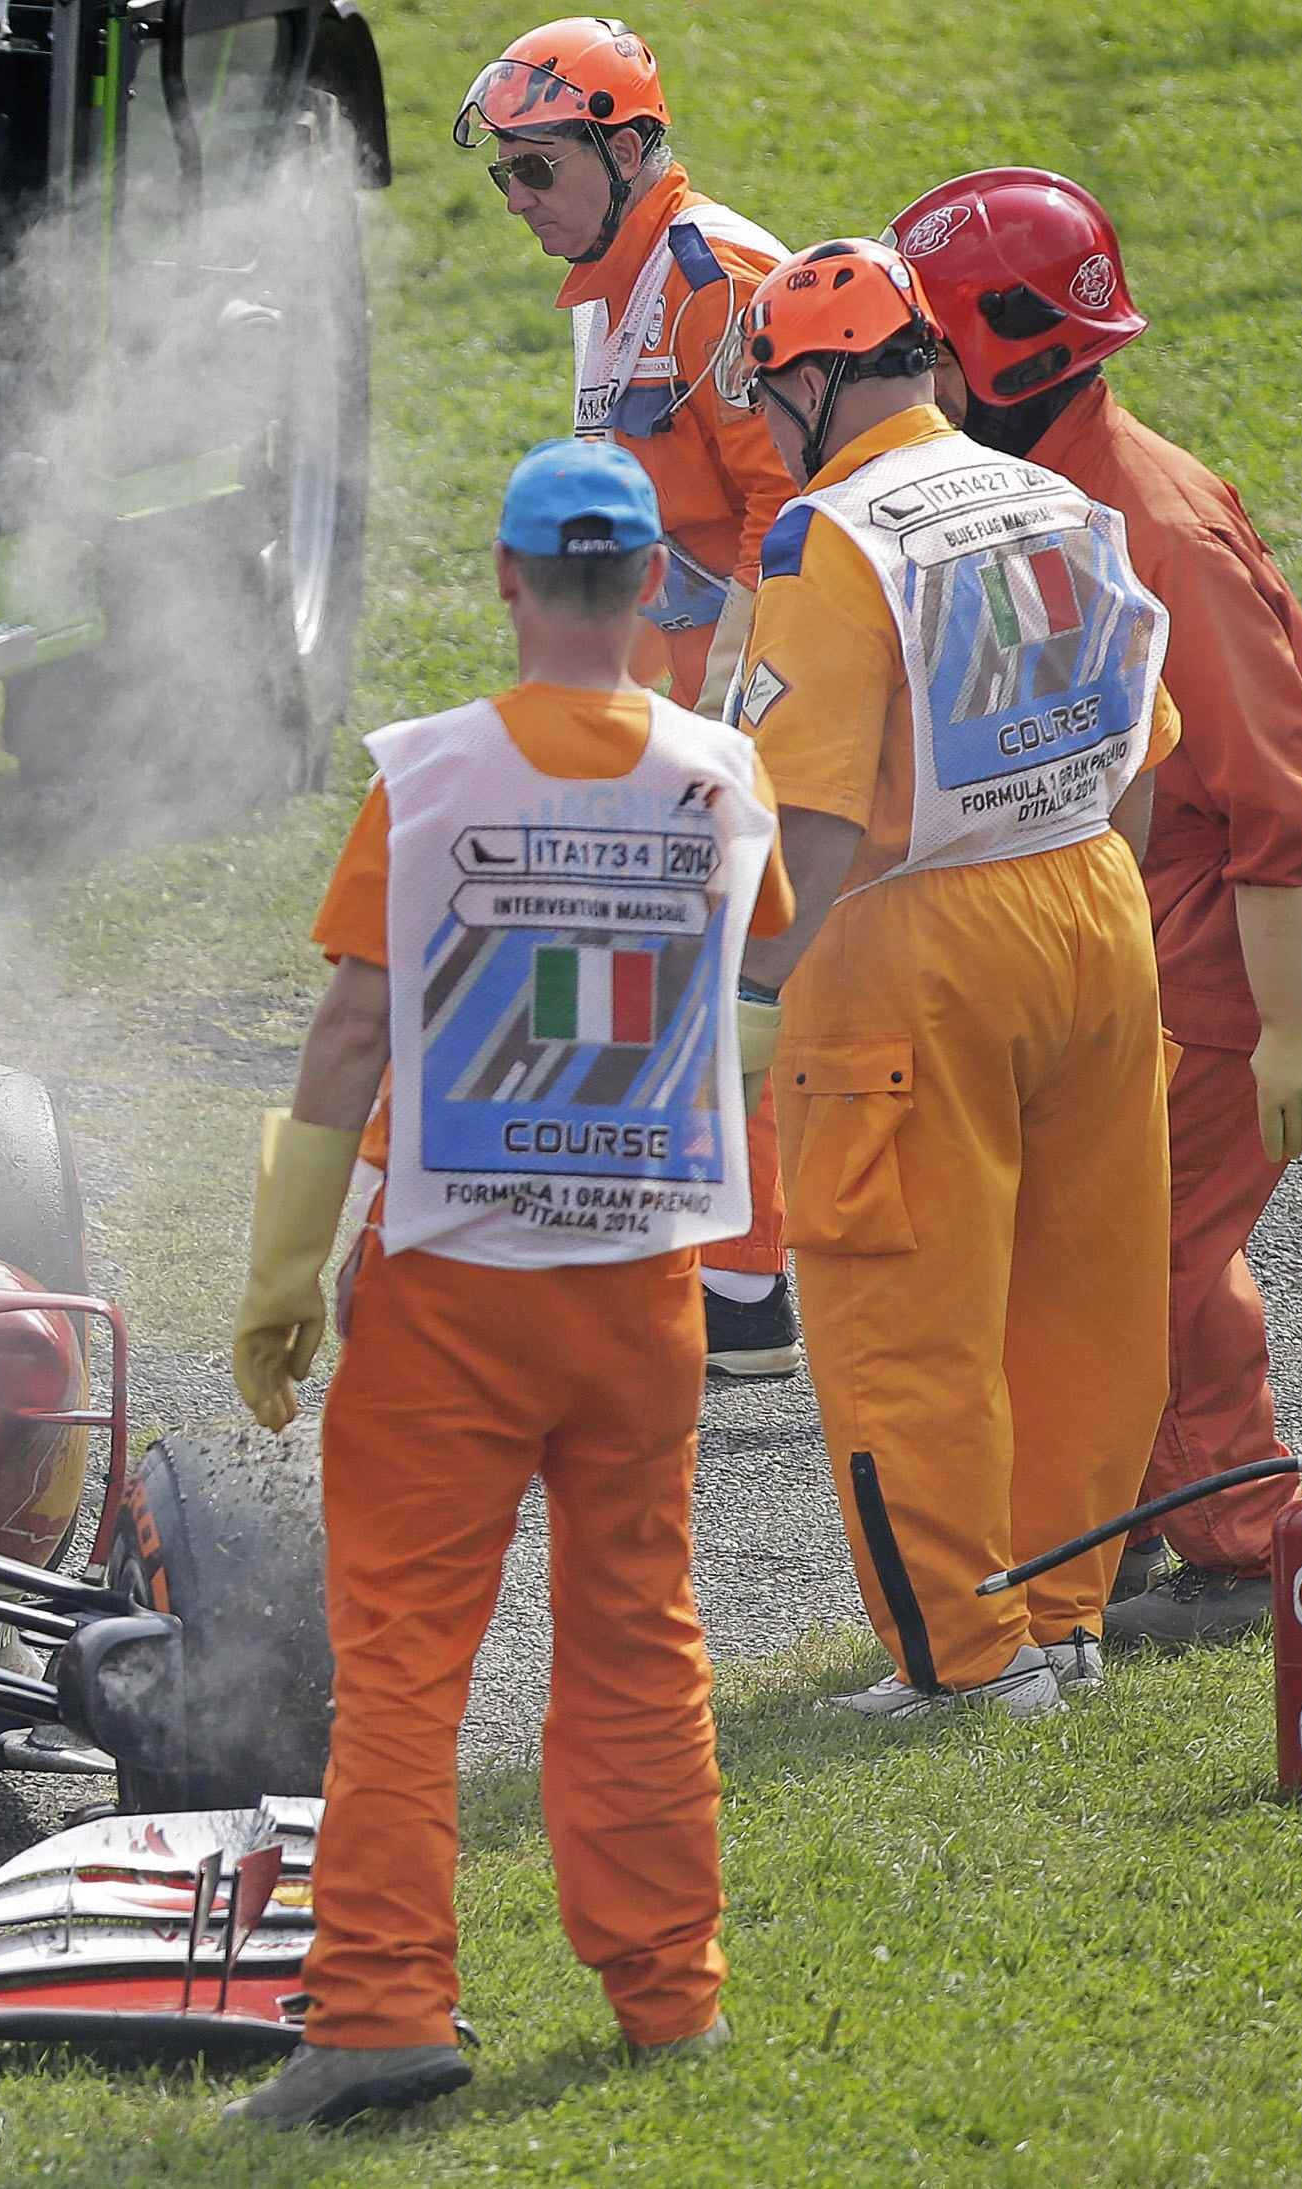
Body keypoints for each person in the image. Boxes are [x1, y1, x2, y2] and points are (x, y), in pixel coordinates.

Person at [226, 441, 781, 2129]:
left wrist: (282, 1270)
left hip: (455, 1279)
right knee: (639, 1634)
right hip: (644, 1285)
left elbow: (345, 1029)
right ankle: (669, 1993)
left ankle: (385, 2003)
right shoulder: (722, 773)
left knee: (402, 1656)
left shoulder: (432, 776)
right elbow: (751, 1002)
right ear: (645, 592)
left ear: (509, 577)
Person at [885, 170, 1302, 1649]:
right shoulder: (1046, 483)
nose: (909, 373)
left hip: (1260, 899)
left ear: (1011, 352)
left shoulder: (1149, 518)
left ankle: (1234, 1542)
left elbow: (1283, 792)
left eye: (928, 345)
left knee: (1142, 1232)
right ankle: (1163, 1512)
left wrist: (1294, 1023)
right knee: (1127, 1208)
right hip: (1177, 886)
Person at [719, 237, 1179, 1717]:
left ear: (812, 384)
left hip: (911, 950)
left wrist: (735, 1001)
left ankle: (969, 1664)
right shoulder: (1051, 491)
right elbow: (1142, 760)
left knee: (901, 1316)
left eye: (770, 392)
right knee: (1084, 1298)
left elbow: (818, 824)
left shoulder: (825, 537)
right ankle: (1063, 1619)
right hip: (1097, 909)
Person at [453, 15, 803, 1375]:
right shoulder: (624, 276)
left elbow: (794, 510)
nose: (521, 203)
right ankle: (729, 1278)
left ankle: (745, 1290)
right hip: (682, 675)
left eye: (541, 171)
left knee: (732, 972)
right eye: (508, 177)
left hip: (751, 680)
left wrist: (726, 720)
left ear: (631, 146)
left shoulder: (714, 277)